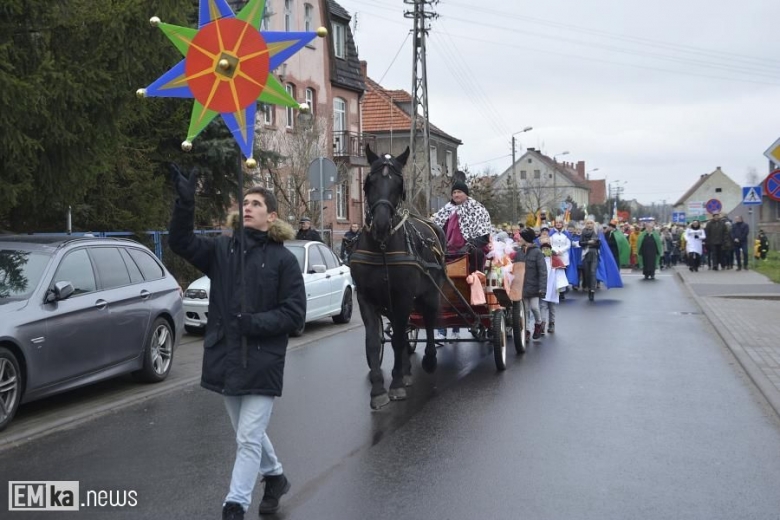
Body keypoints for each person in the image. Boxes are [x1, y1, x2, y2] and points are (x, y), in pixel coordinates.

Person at [168, 167, 306, 520]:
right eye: (244, 202)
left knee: (246, 437)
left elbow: (294, 315)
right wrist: (185, 202)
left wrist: (253, 324)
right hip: (226, 356)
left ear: (271, 216)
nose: (247, 207)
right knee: (250, 434)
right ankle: (275, 477)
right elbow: (180, 243)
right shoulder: (221, 251)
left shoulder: (284, 261)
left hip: (263, 359)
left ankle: (235, 505)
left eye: (256, 203)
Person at [432, 181, 491, 341]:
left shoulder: (477, 209)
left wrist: (470, 244)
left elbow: (484, 233)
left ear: (466, 193)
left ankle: (476, 287)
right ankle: (443, 329)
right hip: (448, 251)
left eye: (459, 192)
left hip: (469, 250)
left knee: (477, 254)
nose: (456, 195)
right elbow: (435, 226)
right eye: (454, 193)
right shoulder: (447, 210)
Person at [515, 227, 547, 340]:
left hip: (534, 286)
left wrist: (542, 288)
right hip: (522, 286)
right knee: (526, 309)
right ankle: (527, 330)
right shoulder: (519, 253)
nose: (519, 239)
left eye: (521, 237)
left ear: (526, 238)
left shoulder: (537, 252)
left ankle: (539, 323)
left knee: (534, 307)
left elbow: (543, 271)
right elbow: (515, 268)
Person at [580, 220, 600, 301]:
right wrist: (589, 242)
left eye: (591, 223)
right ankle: (589, 288)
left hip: (594, 254)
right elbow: (580, 243)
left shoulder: (596, 232)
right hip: (585, 254)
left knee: (592, 272)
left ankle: (592, 290)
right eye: (587, 223)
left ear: (593, 224)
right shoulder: (583, 232)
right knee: (587, 273)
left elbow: (599, 244)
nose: (589, 225)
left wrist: (593, 243)